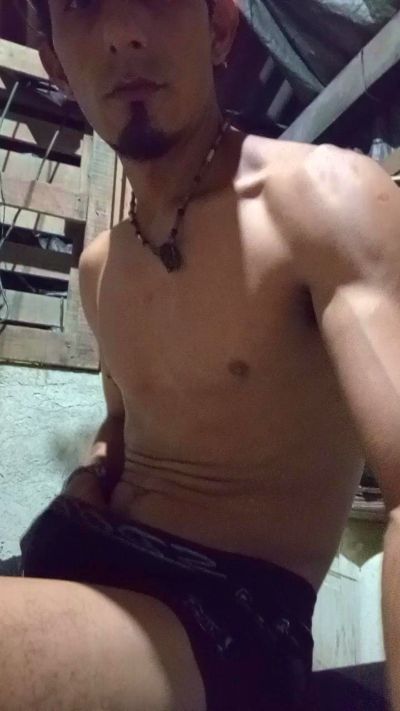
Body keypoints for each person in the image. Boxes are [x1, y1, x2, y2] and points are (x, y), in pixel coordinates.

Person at [1, 0, 400, 709]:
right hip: (82, 552)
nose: (123, 31)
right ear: (55, 63)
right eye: (82, 4)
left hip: (229, 614)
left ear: (218, 28)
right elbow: (123, 424)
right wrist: (90, 474)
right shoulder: (99, 268)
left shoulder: (324, 202)